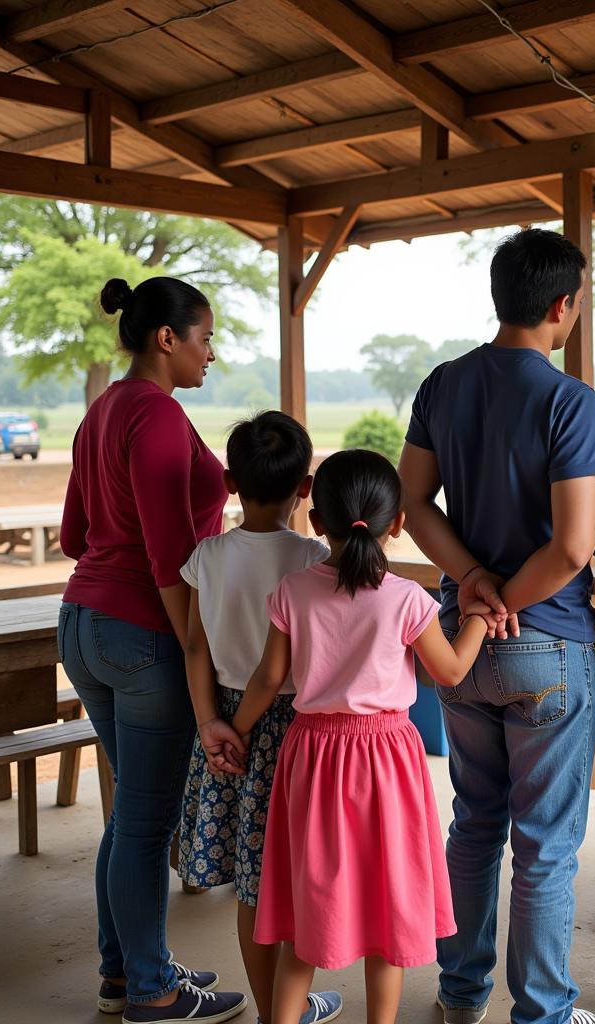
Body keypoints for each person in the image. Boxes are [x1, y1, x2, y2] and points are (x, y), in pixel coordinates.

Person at [399, 228, 595, 1024]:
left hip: (460, 645)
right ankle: (542, 1014)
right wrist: (508, 599)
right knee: (545, 848)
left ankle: (459, 995)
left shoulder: (443, 384)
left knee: (473, 825)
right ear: (562, 304)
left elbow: (412, 504)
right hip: (549, 647)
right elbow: (572, 547)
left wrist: (473, 587)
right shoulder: (570, 399)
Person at [228, 449, 491, 1024]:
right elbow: (448, 672)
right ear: (396, 524)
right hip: (386, 760)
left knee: (307, 910)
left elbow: (269, 679)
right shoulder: (406, 600)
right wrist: (477, 619)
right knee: (387, 907)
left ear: (316, 521)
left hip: (312, 756)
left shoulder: (292, 591)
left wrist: (234, 731)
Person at [58, 277, 246, 1024]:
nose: (210, 353)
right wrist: (198, 651)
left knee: (131, 813)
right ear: (167, 339)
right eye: (204, 338)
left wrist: (246, 482)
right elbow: (171, 558)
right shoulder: (161, 417)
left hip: (84, 624)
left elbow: (77, 537)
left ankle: (126, 970)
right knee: (146, 821)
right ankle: (151, 991)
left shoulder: (101, 413)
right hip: (141, 632)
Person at [175, 411, 342, 1024]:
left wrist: (210, 726)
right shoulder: (312, 558)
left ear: (227, 482)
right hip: (295, 731)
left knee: (250, 881)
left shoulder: (208, 555)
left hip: (223, 718)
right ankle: (289, 1009)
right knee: (297, 877)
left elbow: (196, 646)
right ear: (305, 488)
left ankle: (273, 1005)